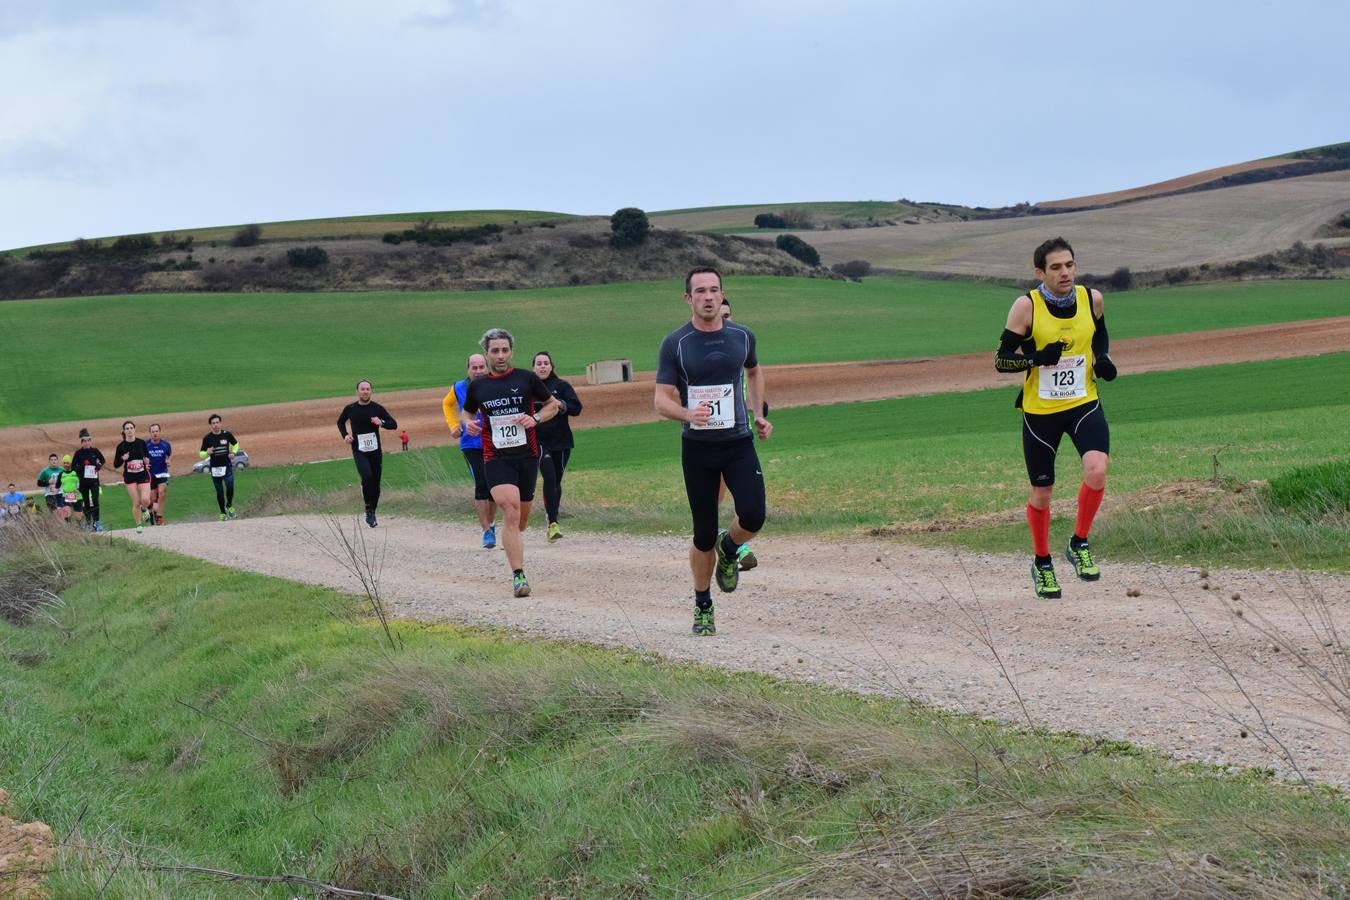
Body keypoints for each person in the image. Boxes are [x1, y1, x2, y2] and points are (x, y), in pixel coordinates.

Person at [995, 236, 1117, 599]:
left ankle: (1079, 542)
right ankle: (1043, 562)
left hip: (1083, 402)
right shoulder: (1026, 306)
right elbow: (1001, 360)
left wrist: (1103, 359)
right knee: (1042, 491)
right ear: (1039, 272)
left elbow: (1099, 336)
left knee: (1097, 469)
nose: (1065, 273)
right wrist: (1035, 359)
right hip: (1041, 413)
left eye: (1069, 265)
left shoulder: (1091, 299)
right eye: (1055, 267)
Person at [655, 267, 772, 636]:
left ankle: (730, 544)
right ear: (688, 298)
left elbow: (754, 373)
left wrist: (759, 414)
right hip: (698, 448)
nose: (708, 297)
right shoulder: (676, 343)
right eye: (700, 291)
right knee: (702, 534)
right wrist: (688, 413)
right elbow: (660, 400)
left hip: (738, 442)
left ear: (722, 296)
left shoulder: (742, 335)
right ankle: (703, 603)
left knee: (753, 516)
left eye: (714, 290)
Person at [460, 328, 561, 597]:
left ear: (511, 351)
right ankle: (519, 576)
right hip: (495, 458)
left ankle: (511, 539)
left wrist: (536, 419)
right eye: (495, 351)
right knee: (510, 508)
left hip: (526, 457)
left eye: (505, 350)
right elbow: (467, 410)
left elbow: (553, 405)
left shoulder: (526, 379)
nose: (501, 355)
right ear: (487, 353)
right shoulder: (478, 386)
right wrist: (467, 423)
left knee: (520, 520)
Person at [717, 298, 764, 572]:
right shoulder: (700, 350)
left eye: (729, 314)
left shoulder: (741, 345)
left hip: (739, 435)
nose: (726, 320)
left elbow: (753, 377)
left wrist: (758, 410)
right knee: (716, 495)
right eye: (721, 315)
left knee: (744, 496)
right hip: (709, 439)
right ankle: (714, 538)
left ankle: (737, 545)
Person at [443, 353, 499, 549]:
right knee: (482, 483)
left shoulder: (496, 383)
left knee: (495, 486)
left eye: (481, 367)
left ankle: (491, 523)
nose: (478, 371)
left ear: (487, 367)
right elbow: (447, 404)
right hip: (471, 443)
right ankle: (486, 532)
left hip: (496, 441)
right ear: (468, 369)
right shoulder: (459, 387)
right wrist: (453, 425)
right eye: (474, 368)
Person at [531, 351, 583, 543]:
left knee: (556, 481)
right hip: (538, 440)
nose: (542, 366)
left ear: (551, 366)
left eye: (546, 363)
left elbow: (577, 408)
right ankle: (553, 523)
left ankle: (551, 514)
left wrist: (561, 405)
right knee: (549, 477)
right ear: (533, 368)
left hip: (561, 441)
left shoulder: (561, 386)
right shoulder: (529, 389)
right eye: (539, 363)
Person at [337, 380, 399, 527]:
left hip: (375, 451)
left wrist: (381, 422)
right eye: (362, 389)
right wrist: (345, 435)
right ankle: (368, 507)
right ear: (357, 391)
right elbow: (340, 422)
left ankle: (372, 513)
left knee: (376, 484)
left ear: (371, 391)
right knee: (367, 476)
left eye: (368, 389)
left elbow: (394, 424)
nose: (365, 391)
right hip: (359, 450)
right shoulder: (350, 409)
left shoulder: (377, 408)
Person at [199, 414, 242, 521]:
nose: (216, 425)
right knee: (220, 492)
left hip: (227, 466)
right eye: (213, 423)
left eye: (217, 422)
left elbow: (236, 444)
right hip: (215, 468)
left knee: (230, 487)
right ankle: (222, 513)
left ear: (220, 423)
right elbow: (201, 454)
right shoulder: (207, 438)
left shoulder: (227, 434)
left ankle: (229, 506)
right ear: (210, 425)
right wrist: (207, 452)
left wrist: (233, 452)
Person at [113, 421, 154, 533]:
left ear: (134, 429)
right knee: (136, 503)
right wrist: (123, 458)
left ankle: (144, 509)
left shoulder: (141, 443)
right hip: (130, 477)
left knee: (145, 499)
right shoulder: (121, 446)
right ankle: (139, 525)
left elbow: (147, 457)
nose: (129, 430)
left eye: (131, 428)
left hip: (142, 474)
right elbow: (115, 464)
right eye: (127, 428)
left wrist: (147, 461)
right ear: (124, 431)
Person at [71, 429, 106, 531]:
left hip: (94, 481)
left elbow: (103, 460)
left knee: (95, 500)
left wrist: (98, 466)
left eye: (88, 440)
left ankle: (97, 522)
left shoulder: (95, 451)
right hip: (83, 482)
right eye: (84, 441)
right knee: (86, 503)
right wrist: (82, 467)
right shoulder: (78, 453)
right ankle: (88, 522)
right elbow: (73, 467)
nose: (86, 443)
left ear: (90, 441)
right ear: (81, 442)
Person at [145, 423, 171, 525]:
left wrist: (168, 462)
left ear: (159, 432)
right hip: (150, 475)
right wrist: (144, 464)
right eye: (153, 431)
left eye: (156, 431)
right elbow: (142, 458)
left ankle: (159, 517)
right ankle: (152, 515)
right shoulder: (146, 445)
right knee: (152, 499)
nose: (155, 433)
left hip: (162, 473)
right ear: (150, 433)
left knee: (162, 493)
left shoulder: (166, 445)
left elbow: (168, 457)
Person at [55, 456, 83, 526]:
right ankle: (69, 528)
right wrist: (56, 498)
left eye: (67, 463)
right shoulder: (61, 474)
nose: (65, 465)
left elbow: (82, 482)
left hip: (77, 496)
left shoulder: (76, 472)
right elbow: (57, 486)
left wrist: (79, 489)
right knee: (67, 514)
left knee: (78, 517)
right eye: (64, 463)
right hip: (66, 497)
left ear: (70, 463)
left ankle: (81, 529)